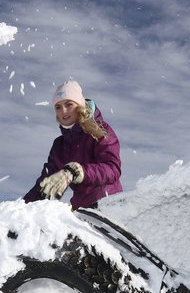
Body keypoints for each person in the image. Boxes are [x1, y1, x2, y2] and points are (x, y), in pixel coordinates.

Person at [24, 79, 122, 209]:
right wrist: (19, 208)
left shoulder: (100, 130)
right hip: (81, 211)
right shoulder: (59, 145)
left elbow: (112, 168)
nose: (63, 111)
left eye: (69, 104)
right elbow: (45, 183)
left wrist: (79, 172)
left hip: (109, 207)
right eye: (58, 107)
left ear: (80, 105)